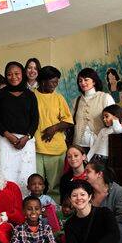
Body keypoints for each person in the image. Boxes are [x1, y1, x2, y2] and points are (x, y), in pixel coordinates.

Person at [0, 61, 39, 197]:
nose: (13, 77)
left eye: (17, 73)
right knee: (5, 176)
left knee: (25, 176)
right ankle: (4, 205)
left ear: (22, 74)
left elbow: (35, 119)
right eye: (9, 74)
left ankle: (26, 207)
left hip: (26, 142)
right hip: (5, 141)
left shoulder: (30, 95)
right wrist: (8, 135)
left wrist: (27, 137)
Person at [34, 66, 73, 203]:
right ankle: (35, 212)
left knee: (54, 187)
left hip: (56, 150)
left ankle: (54, 215)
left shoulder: (58, 98)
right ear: (43, 81)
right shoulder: (31, 96)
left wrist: (54, 128)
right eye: (53, 82)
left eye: (57, 82)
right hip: (35, 149)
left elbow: (68, 121)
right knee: (35, 186)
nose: (55, 85)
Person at [85, 162, 122, 243]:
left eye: (88, 172)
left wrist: (106, 225)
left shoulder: (117, 191)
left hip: (112, 230)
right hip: (91, 231)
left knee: (120, 229)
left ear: (99, 174)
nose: (85, 175)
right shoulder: (86, 192)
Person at [71, 68, 115, 153]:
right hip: (78, 146)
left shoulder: (105, 97)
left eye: (86, 80)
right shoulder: (76, 101)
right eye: (80, 81)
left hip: (100, 146)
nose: (83, 83)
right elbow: (70, 121)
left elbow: (115, 118)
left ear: (94, 81)